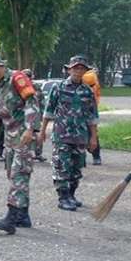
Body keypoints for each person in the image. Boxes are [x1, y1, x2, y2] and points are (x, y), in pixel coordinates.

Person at [0, 52, 39, 234]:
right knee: (13, 175)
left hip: (23, 137)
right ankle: (23, 215)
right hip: (10, 139)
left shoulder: (18, 78)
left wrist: (30, 128)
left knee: (18, 175)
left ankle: (11, 218)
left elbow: (32, 102)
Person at [40, 56, 99, 212]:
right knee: (62, 166)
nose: (78, 71)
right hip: (62, 135)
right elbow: (48, 111)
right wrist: (42, 131)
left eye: (81, 68)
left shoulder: (87, 91)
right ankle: (63, 197)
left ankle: (71, 195)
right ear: (69, 69)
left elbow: (92, 116)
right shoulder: (58, 88)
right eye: (75, 68)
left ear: (85, 71)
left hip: (80, 136)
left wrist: (93, 137)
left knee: (76, 168)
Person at [82, 67, 103, 165]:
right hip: (89, 108)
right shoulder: (92, 77)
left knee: (90, 134)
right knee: (92, 133)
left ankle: (94, 156)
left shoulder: (89, 77)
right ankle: (95, 157)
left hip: (87, 109)